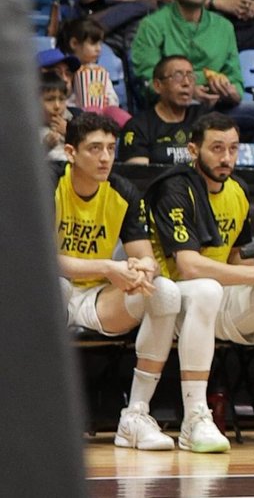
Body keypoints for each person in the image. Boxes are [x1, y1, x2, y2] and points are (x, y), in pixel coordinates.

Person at [145, 113, 254, 453]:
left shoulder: (238, 190)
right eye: (217, 148)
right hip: (169, 301)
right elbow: (189, 266)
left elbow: (235, 258)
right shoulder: (174, 188)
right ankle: (195, 418)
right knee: (208, 287)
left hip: (215, 298)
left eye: (233, 149)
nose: (226, 158)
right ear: (194, 150)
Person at [55, 113, 183, 451]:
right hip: (50, 289)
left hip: (97, 296)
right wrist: (110, 266)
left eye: (111, 148)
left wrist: (142, 269)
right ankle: (34, 411)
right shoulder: (49, 183)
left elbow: (146, 256)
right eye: (95, 148)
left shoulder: (123, 190)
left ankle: (135, 416)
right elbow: (39, 259)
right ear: (71, 152)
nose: (105, 157)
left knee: (166, 293)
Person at [128, 0, 254, 145]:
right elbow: (147, 77)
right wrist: (189, 92)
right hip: (173, 108)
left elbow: (235, 78)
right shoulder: (153, 25)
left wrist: (231, 93)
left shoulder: (224, 27)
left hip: (216, 107)